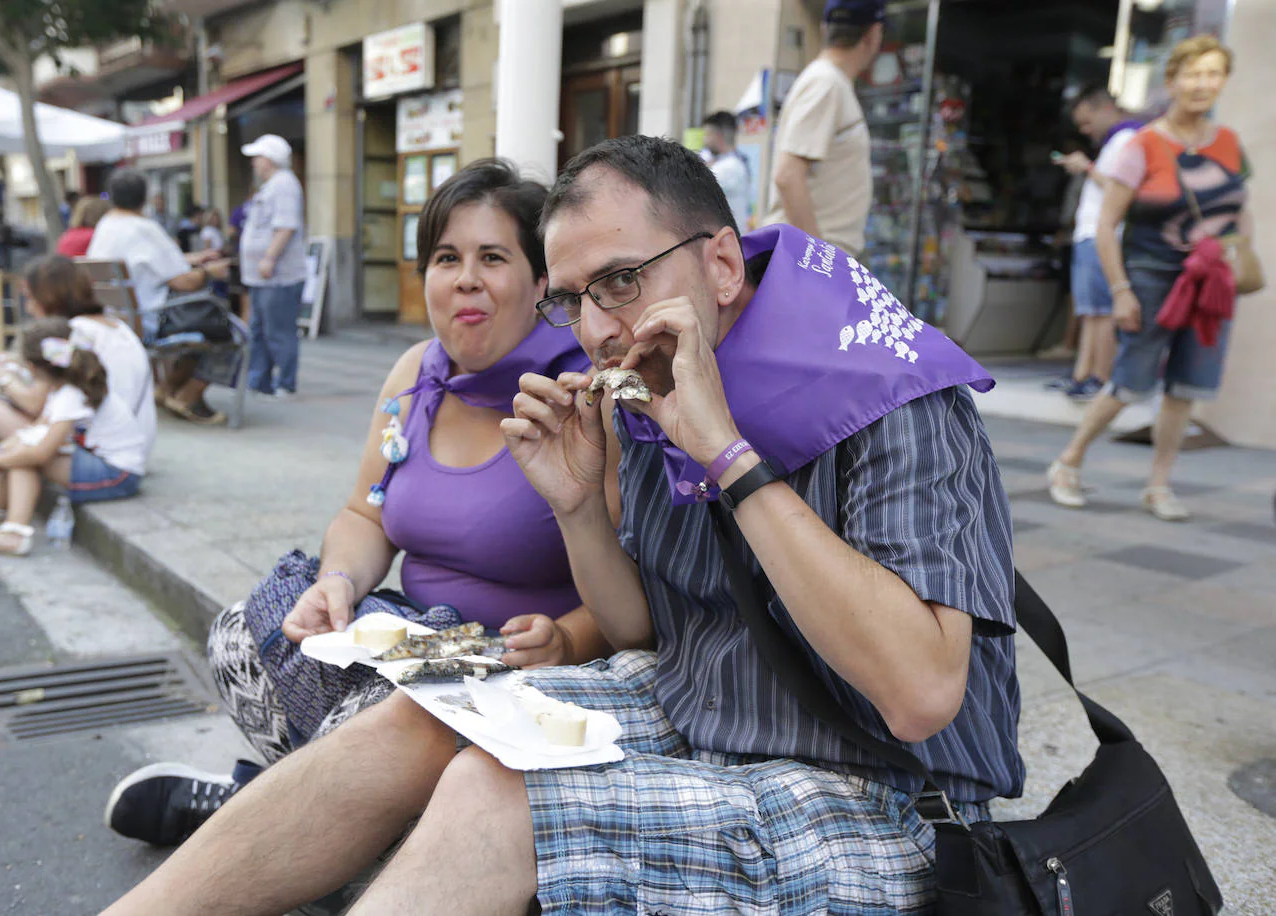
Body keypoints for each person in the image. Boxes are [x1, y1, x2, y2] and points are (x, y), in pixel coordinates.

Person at [101, 138, 1020, 916]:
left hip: (885, 791)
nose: (595, 329)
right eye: (573, 297)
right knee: (429, 720)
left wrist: (730, 457)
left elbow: (921, 693)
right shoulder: (619, 390)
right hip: (697, 713)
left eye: (619, 282)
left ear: (724, 264)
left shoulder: (889, 395)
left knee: (501, 797)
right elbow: (639, 633)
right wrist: (579, 505)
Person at [101, 159, 611, 850]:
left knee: (381, 717)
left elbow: (634, 584)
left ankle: (255, 820)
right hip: (419, 645)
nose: (466, 278)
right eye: (445, 257)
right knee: (244, 636)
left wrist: (569, 639)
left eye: (493, 257)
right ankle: (318, 831)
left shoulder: (575, 394)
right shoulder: (416, 373)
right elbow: (365, 514)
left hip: (520, 678)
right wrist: (337, 584)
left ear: (540, 280)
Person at [1048, 36, 1251, 522]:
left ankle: (1158, 485)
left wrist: (1239, 254)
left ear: (1222, 82)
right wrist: (1120, 290)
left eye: (1213, 74)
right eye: (1193, 73)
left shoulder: (1228, 144)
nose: (1202, 84)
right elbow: (1105, 225)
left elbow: (1240, 213)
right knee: (1129, 381)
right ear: (1172, 80)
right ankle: (1068, 460)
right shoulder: (1143, 144)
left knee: (1187, 387)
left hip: (1210, 283)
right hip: (1151, 278)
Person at [0, 254, 155, 500]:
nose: (28, 308)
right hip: (131, 443)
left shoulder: (72, 333)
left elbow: (35, 404)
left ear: (48, 297)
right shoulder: (111, 326)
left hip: (98, 451)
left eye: (29, 298)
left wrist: (2, 378)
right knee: (6, 415)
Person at [0, 316, 148, 556]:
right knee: (16, 450)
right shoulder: (65, 387)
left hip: (119, 475)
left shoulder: (71, 395)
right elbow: (35, 429)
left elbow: (41, 453)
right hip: (102, 462)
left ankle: (14, 534)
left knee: (24, 458)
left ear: (31, 368)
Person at [86, 168, 233, 425]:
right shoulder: (144, 228)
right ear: (144, 199)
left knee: (206, 324)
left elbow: (145, 264)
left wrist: (192, 259)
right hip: (150, 321)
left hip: (117, 318)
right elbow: (185, 282)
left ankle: (165, 390)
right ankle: (187, 396)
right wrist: (209, 271)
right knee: (228, 330)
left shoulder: (106, 226)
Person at [763, 0, 884, 255]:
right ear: (873, 34)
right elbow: (788, 175)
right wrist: (819, 262)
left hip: (807, 258)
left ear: (823, 29)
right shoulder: (826, 84)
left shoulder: (828, 82)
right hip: (805, 262)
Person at [1051, 86, 1141, 401]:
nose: (1085, 131)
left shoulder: (1127, 139)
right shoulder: (1117, 140)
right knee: (1090, 310)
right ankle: (1082, 373)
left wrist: (1087, 168)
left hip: (1102, 234)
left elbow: (1120, 191)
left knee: (1101, 310)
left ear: (1103, 108)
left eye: (1087, 123)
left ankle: (1100, 377)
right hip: (1090, 234)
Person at [239, 134, 308, 399]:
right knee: (259, 330)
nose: (254, 163)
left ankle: (285, 383)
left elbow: (286, 226)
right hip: (262, 278)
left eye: (257, 157)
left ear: (269, 159)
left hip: (278, 276)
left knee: (277, 331)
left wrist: (268, 258)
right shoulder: (273, 186)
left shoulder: (284, 185)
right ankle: (260, 381)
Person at [702, 110, 751, 229]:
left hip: (727, 240)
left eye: (707, 135)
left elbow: (692, 182)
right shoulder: (737, 161)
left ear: (718, 136)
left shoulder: (730, 167)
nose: (704, 140)